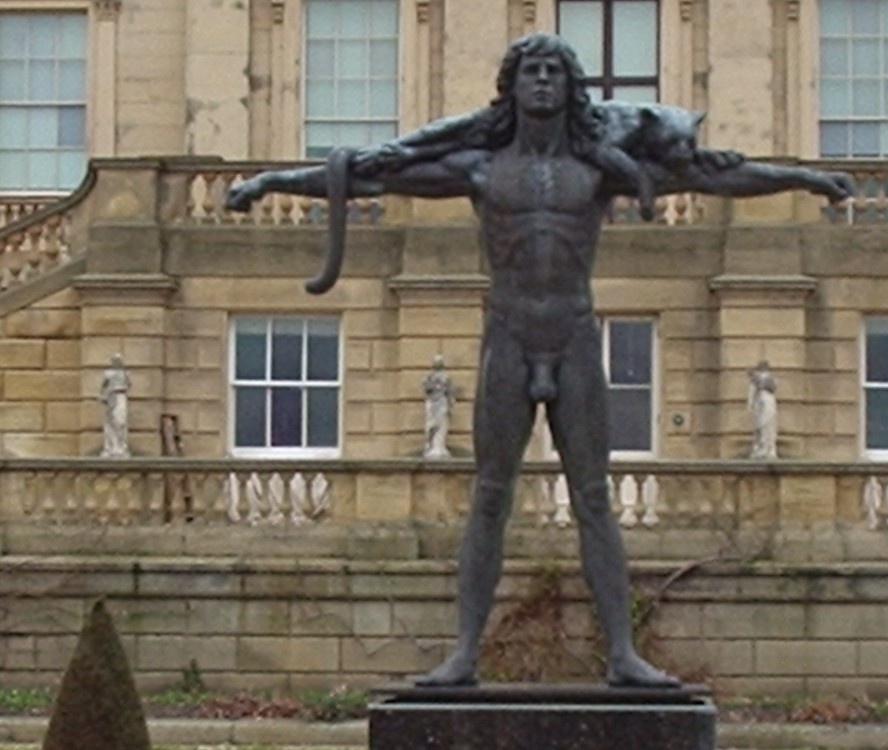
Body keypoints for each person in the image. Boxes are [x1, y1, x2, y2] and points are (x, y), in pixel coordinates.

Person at [226, 33, 852, 686]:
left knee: (593, 499)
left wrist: (805, 179)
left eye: (555, 70)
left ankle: (622, 655)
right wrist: (270, 181)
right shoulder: (478, 168)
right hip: (509, 339)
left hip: (575, 337)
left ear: (571, 87)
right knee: (489, 498)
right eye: (533, 71)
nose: (544, 80)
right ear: (513, 86)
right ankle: (464, 654)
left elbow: (717, 172)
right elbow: (368, 172)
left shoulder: (603, 168)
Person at [423, 355, 455, 459]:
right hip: (433, 403)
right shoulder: (429, 377)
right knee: (432, 424)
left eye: (439, 362)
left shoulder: (446, 377)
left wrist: (450, 403)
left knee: (442, 425)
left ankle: (439, 447)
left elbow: (450, 392)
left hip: (442, 402)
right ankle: (431, 446)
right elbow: (426, 389)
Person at [100, 354, 131, 458]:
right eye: (115, 360)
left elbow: (129, 384)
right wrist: (104, 396)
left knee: (121, 422)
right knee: (110, 422)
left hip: (121, 396)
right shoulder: (108, 373)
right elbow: (103, 386)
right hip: (111, 396)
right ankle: (111, 446)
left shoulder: (125, 373)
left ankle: (121, 446)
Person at [748, 360, 778, 459]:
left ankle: (768, 448)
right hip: (761, 404)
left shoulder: (769, 379)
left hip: (768, 404)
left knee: (768, 425)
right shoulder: (756, 380)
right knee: (761, 426)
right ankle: (761, 447)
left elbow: (773, 387)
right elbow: (752, 394)